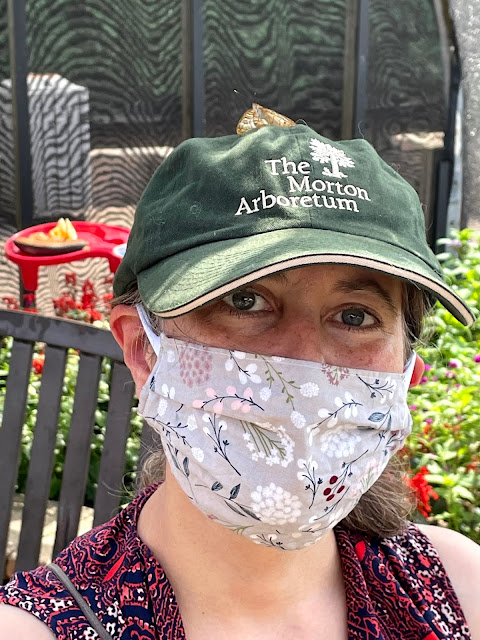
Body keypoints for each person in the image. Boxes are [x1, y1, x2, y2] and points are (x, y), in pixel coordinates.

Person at [1, 112, 479, 640]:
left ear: (406, 368)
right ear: (144, 352)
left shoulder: (460, 590)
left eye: (355, 316)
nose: (304, 362)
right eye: (245, 301)